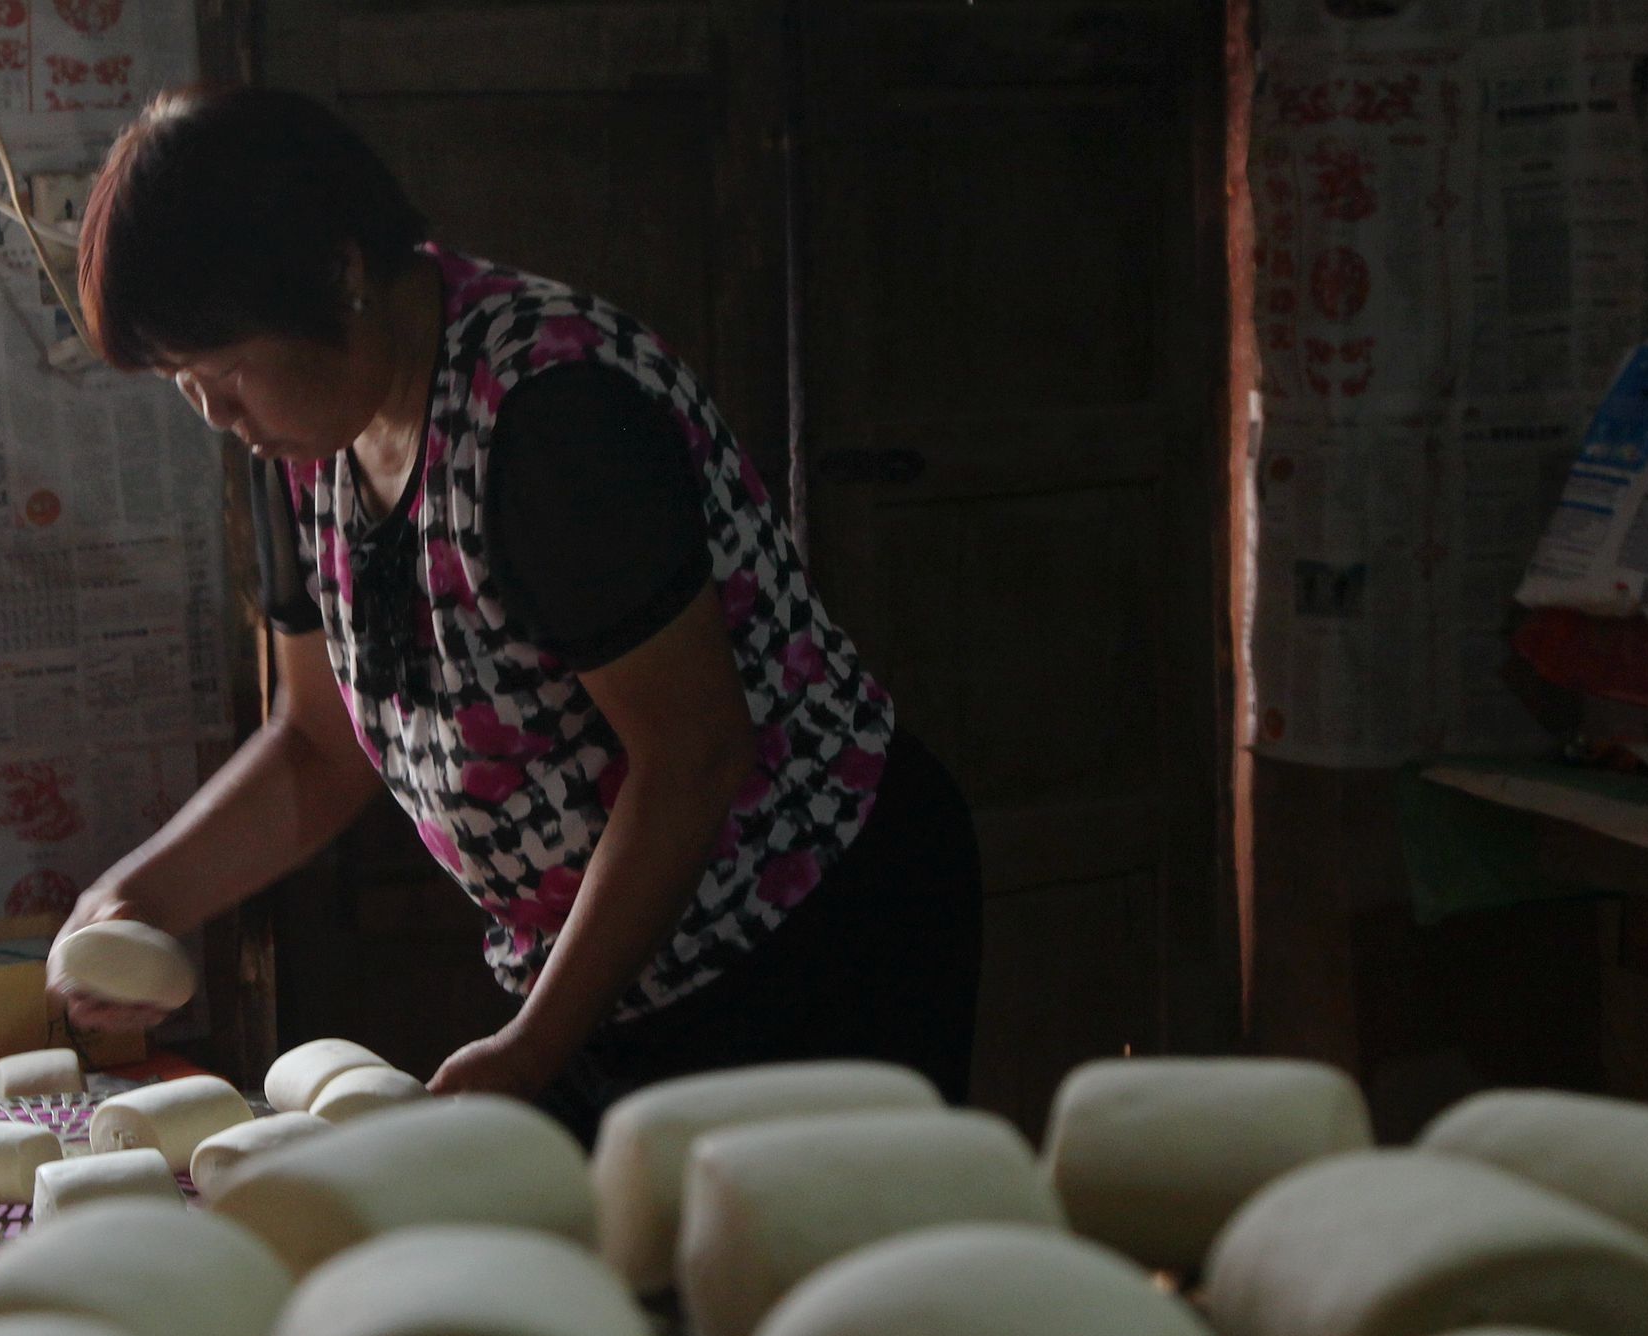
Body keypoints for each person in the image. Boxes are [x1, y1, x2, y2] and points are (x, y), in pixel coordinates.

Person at [51, 86, 980, 1143]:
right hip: (615, 962)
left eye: (223, 370)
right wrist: (138, 899)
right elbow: (317, 747)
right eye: (183, 382)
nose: (215, 412)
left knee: (781, 1280)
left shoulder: (549, 412)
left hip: (809, 926)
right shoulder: (305, 444)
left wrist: (537, 1045)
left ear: (340, 276)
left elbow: (692, 753)